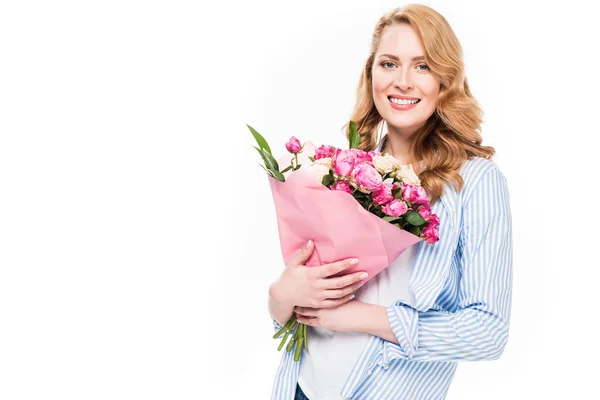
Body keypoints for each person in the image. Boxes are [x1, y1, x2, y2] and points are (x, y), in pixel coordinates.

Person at [267, 4, 513, 399]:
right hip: (301, 387)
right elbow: (298, 312)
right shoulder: (343, 165)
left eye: (423, 66)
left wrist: (359, 318)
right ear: (371, 74)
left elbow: (487, 332)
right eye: (388, 63)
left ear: (446, 81)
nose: (402, 82)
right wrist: (281, 296)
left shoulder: (475, 182)